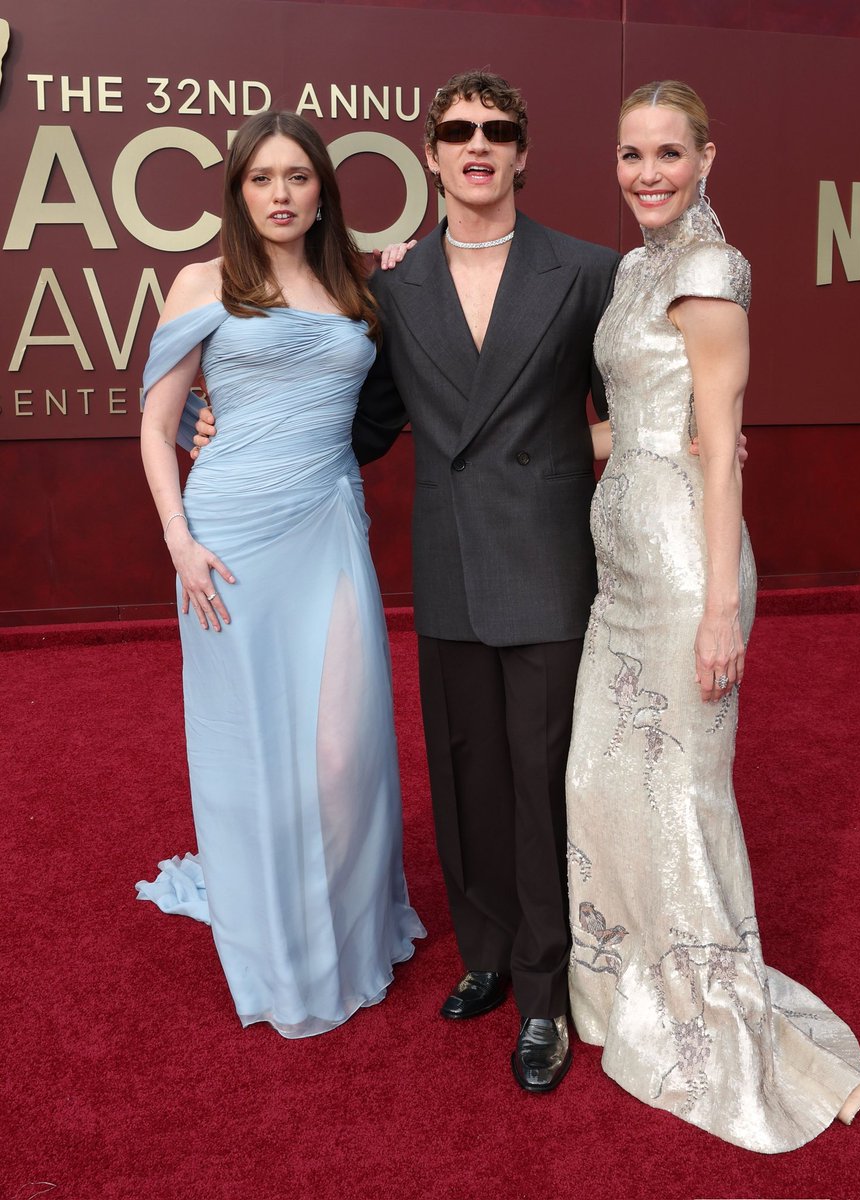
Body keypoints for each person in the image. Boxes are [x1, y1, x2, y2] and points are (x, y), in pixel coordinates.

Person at [196, 70, 621, 1089]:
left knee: (540, 778)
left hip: (546, 562)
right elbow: (360, 425)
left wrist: (695, 440)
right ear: (429, 155)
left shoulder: (586, 270)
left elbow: (629, 404)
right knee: (467, 773)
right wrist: (226, 429)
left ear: (522, 152)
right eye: (456, 131)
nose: (476, 146)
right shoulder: (394, 288)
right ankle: (482, 953)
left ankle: (542, 993)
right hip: (447, 569)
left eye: (496, 131)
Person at [565, 81, 860, 1150]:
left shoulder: (705, 269)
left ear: (706, 160)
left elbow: (722, 450)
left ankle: (705, 1026)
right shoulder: (634, 268)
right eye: (628, 154)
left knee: (684, 797)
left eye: (665, 154)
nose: (644, 173)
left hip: (686, 566)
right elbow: (644, 429)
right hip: (619, 563)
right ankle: (622, 995)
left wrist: (718, 611)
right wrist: (538, 456)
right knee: (598, 779)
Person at [136, 110, 425, 1038]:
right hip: (228, 541)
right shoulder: (203, 281)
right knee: (257, 751)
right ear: (238, 191)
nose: (281, 194)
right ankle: (281, 948)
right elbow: (157, 421)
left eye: (297, 177)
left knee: (343, 754)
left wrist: (412, 266)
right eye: (262, 179)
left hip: (329, 528)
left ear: (322, 189)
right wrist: (179, 540)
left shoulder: (356, 282)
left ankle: (346, 927)